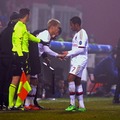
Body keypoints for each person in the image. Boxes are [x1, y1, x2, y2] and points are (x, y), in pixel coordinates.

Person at [8, 8, 48, 110]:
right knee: (26, 78)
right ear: (27, 15)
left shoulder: (22, 26)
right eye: (29, 15)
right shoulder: (19, 26)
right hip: (20, 55)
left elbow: (28, 36)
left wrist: (40, 40)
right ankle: (17, 104)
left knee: (17, 78)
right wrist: (20, 55)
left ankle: (12, 104)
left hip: (19, 55)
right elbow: (16, 41)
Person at [24, 19, 63, 110]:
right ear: (52, 26)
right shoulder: (45, 34)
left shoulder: (46, 34)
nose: (58, 30)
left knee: (34, 81)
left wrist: (45, 57)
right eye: (57, 28)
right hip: (32, 58)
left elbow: (41, 49)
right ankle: (26, 103)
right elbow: (46, 49)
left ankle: (30, 103)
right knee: (31, 81)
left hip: (34, 57)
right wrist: (58, 55)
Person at [62, 16, 88, 112]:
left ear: (76, 24)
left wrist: (68, 53)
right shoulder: (77, 34)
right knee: (77, 81)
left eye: (71, 25)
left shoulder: (82, 34)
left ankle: (72, 104)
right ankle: (81, 106)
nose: (70, 27)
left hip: (80, 60)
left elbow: (81, 48)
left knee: (70, 78)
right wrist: (67, 54)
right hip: (76, 60)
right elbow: (76, 49)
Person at [0, 12, 19, 110]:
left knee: (2, 81)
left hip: (2, 59)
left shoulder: (3, 32)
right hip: (10, 59)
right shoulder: (14, 32)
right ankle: (7, 102)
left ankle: (1, 103)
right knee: (8, 82)